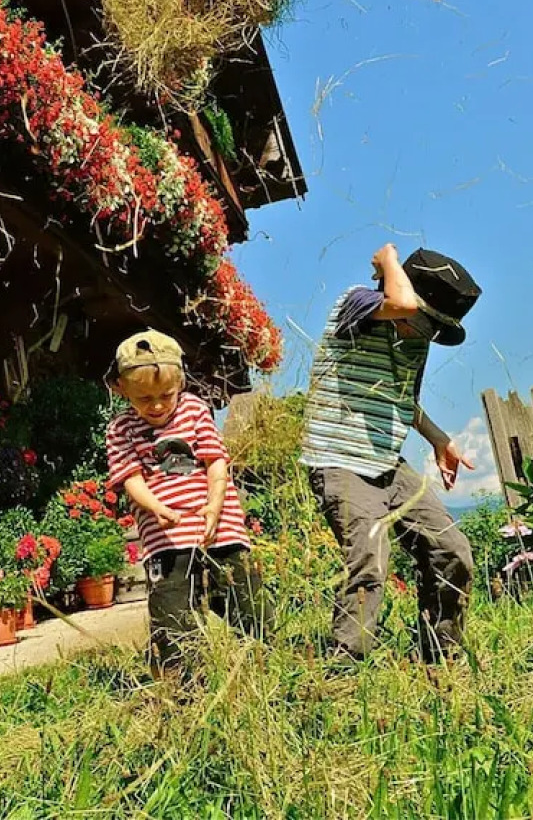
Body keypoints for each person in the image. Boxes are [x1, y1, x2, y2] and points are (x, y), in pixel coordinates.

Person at [301, 244, 482, 661]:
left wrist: (440, 440)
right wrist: (387, 259)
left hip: (387, 463)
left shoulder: (416, 341)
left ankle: (440, 658)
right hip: (340, 460)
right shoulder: (358, 303)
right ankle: (346, 668)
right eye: (423, 319)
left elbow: (404, 400)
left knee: (452, 550)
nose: (423, 333)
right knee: (369, 559)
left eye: (435, 328)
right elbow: (399, 302)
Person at [105, 329, 271, 674]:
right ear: (121, 389)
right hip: (166, 541)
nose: (157, 406)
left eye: (166, 395)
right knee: (173, 615)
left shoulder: (195, 410)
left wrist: (215, 505)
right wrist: (154, 506)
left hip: (219, 531)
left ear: (180, 382)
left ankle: (265, 665)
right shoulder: (121, 429)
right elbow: (130, 477)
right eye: (143, 398)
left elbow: (216, 461)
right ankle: (184, 685)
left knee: (247, 603)